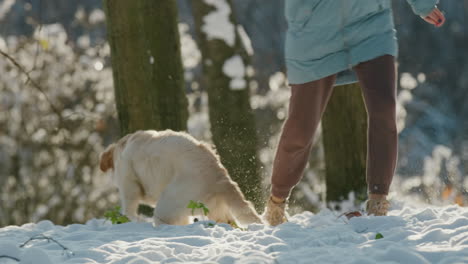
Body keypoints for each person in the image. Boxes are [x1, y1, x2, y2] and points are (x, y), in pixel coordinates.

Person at [264, 0, 446, 226]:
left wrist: (422, 4)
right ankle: (277, 200)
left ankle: (378, 201)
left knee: (384, 109)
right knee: (301, 126)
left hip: (371, 26)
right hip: (314, 31)